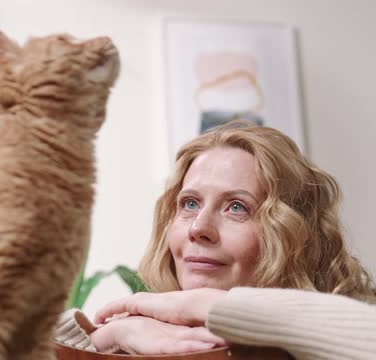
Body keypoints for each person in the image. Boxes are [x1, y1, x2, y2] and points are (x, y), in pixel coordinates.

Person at [55, 121, 376, 358]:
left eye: (237, 207)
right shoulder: (140, 342)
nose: (199, 227)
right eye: (190, 203)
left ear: (293, 234)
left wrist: (217, 307)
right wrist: (105, 337)